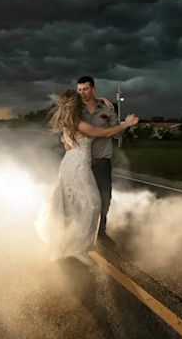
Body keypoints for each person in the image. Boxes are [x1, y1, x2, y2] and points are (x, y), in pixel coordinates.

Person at [35, 90, 138, 266]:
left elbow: (65, 141)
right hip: (78, 167)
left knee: (73, 205)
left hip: (69, 164)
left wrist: (102, 99)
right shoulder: (80, 124)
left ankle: (68, 243)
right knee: (92, 204)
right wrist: (126, 123)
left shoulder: (68, 121)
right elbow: (105, 133)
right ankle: (77, 248)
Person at [75, 76, 118, 244]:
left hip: (101, 162)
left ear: (93, 89)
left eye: (85, 89)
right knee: (82, 200)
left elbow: (118, 131)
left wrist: (112, 126)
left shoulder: (107, 109)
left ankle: (101, 232)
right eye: (79, 90)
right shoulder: (76, 110)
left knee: (104, 199)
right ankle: (81, 233)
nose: (82, 93)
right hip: (82, 162)